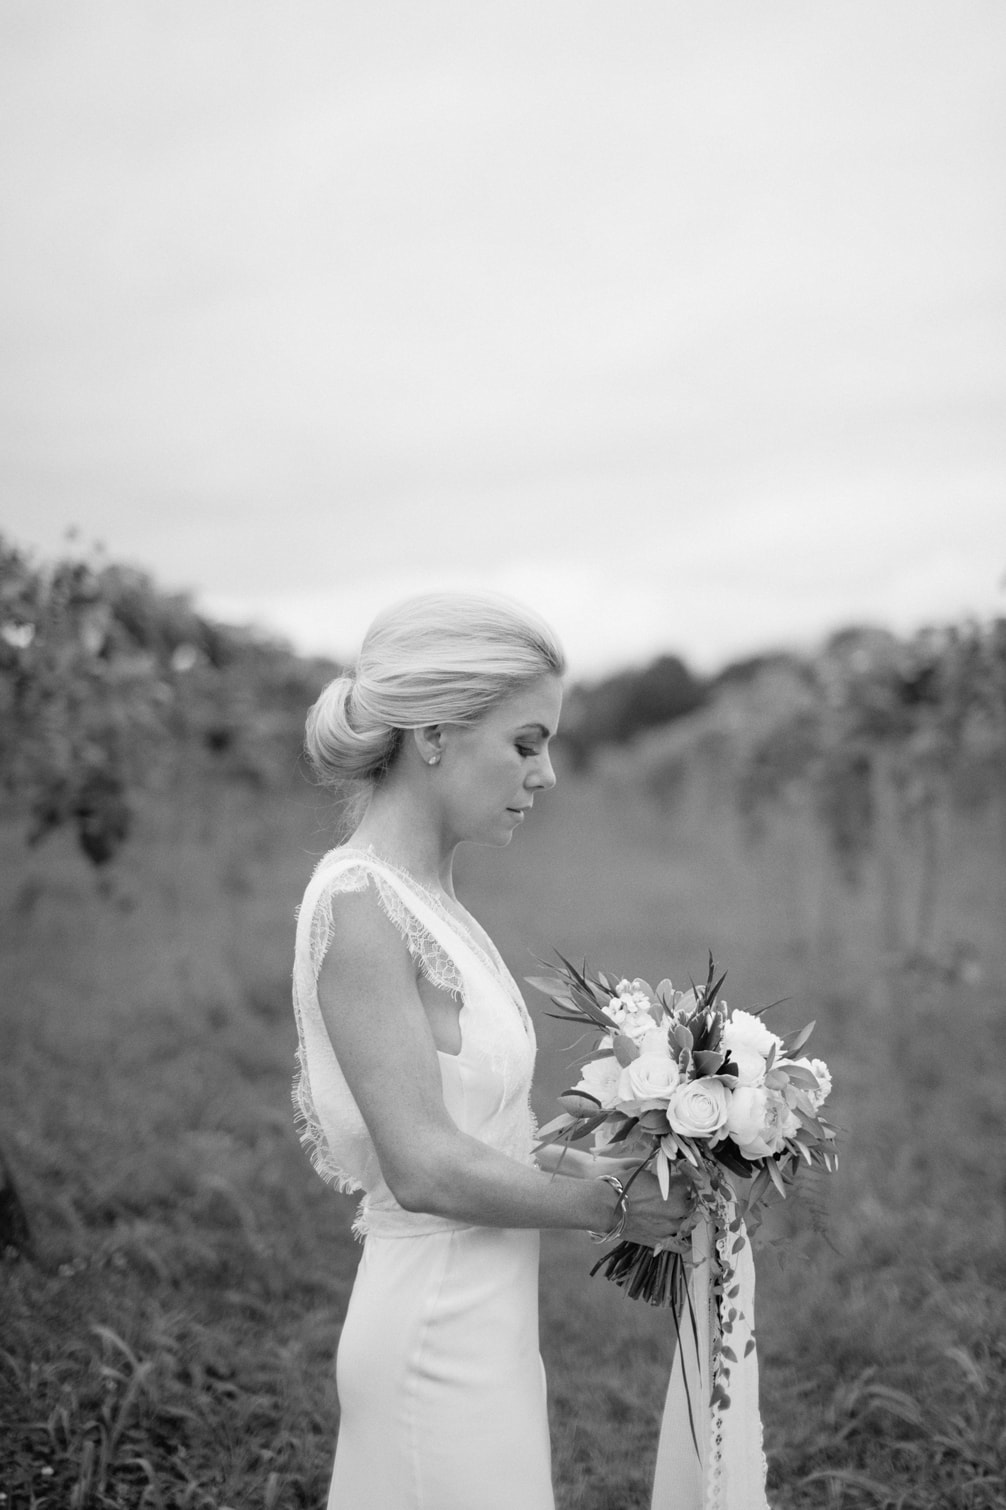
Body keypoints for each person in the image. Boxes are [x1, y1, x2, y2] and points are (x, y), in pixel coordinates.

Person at [291, 591, 693, 1510]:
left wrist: (628, 1162)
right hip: (432, 1331)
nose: (546, 774)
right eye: (525, 743)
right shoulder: (359, 903)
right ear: (433, 733)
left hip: (489, 1324)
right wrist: (606, 1209)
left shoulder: (433, 896)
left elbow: (478, 1129)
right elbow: (425, 1166)